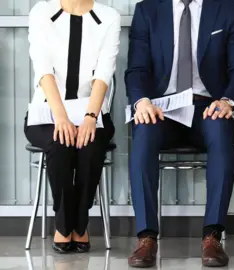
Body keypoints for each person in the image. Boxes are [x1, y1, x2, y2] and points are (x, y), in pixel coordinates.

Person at [125, 0, 234, 267]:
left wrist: (227, 101)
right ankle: (146, 237)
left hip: (207, 105)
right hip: (163, 108)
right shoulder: (147, 10)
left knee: (221, 130)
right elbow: (136, 70)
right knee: (144, 133)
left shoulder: (228, 8)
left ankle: (212, 236)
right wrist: (142, 102)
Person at [24, 0, 120, 253]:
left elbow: (104, 72)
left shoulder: (109, 17)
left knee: (89, 145)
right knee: (60, 143)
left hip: (93, 113)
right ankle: (65, 225)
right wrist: (62, 117)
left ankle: (80, 223)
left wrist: (90, 116)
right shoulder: (41, 12)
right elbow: (43, 68)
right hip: (48, 112)